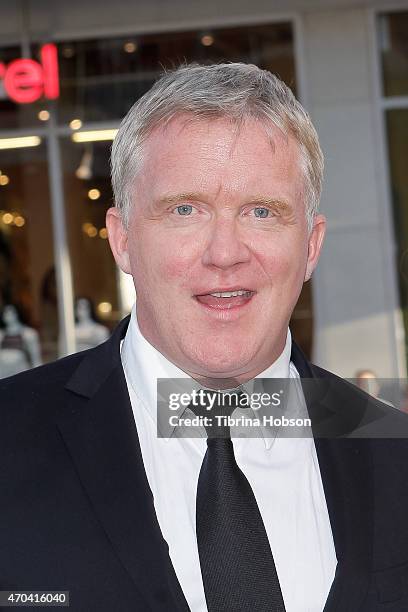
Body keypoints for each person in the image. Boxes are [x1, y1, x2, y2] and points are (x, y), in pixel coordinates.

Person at [1, 63, 408, 612]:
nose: (224, 253)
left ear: (310, 247)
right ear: (122, 241)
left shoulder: (392, 449)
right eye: (185, 210)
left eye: (262, 212)